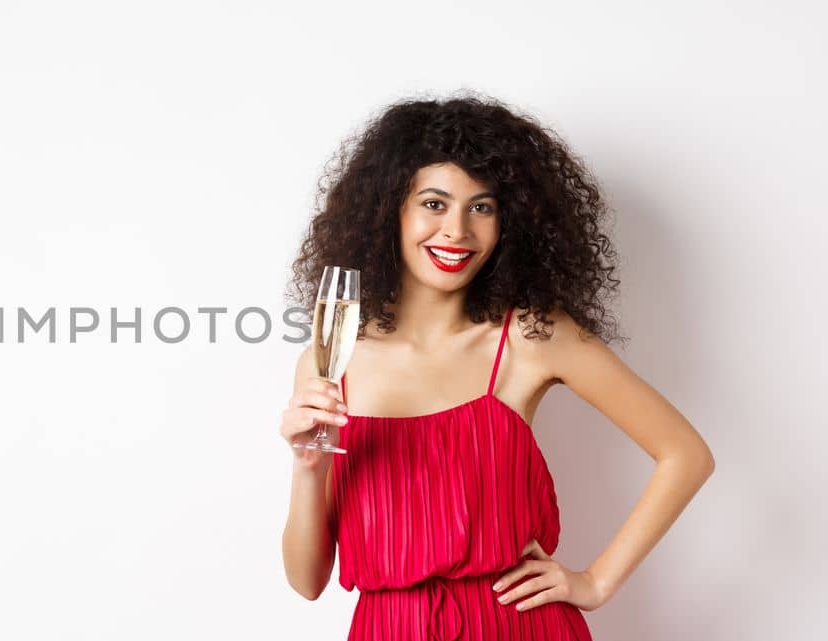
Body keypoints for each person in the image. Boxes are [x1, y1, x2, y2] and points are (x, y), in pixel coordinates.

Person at [277, 92, 715, 640]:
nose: (457, 231)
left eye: (481, 207)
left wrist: (597, 583)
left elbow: (685, 454)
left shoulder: (534, 337)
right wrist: (307, 466)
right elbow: (306, 581)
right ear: (390, 210)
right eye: (434, 204)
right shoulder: (330, 361)